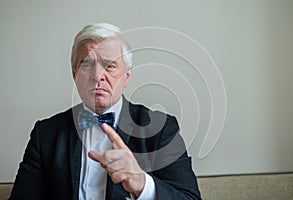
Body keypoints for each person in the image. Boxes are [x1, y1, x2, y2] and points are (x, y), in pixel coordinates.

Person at [9, 23, 201, 200]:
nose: (97, 76)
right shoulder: (46, 134)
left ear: (127, 76)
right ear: (74, 73)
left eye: (110, 66)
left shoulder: (161, 128)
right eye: (86, 64)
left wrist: (142, 184)